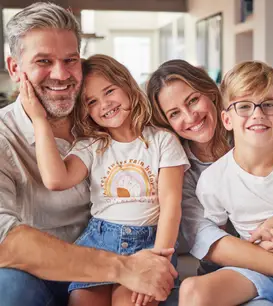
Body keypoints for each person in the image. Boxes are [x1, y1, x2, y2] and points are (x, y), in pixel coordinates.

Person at [0, 3, 178, 306]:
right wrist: (125, 268)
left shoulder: (104, 126)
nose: (60, 74)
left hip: (127, 256)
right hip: (41, 274)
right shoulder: (4, 135)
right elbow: (4, 241)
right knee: (9, 286)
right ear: (15, 68)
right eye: (43, 60)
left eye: (70, 60)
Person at [147, 59, 273, 306]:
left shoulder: (259, 127)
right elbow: (206, 239)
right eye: (175, 113)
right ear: (167, 122)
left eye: (193, 100)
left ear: (211, 93)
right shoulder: (182, 171)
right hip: (242, 270)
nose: (190, 116)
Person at [193, 60, 273, 305]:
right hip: (255, 272)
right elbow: (216, 236)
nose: (258, 114)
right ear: (227, 119)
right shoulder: (213, 180)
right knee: (193, 291)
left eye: (268, 105)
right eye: (243, 106)